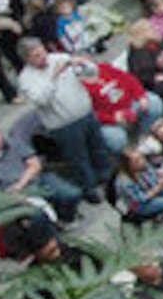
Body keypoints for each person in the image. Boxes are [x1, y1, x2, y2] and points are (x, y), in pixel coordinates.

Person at [17, 37, 113, 199]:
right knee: (78, 159)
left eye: (42, 52)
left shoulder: (59, 58)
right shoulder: (26, 79)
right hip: (63, 125)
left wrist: (83, 64)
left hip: (86, 114)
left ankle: (107, 178)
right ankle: (89, 189)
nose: (43, 58)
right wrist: (53, 77)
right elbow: (42, 100)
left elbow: (92, 74)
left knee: (99, 148)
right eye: (36, 56)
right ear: (27, 59)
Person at [0, 122, 84, 223]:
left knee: (72, 194)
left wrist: (21, 183)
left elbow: (35, 164)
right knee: (37, 215)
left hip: (35, 180)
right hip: (15, 195)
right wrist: (16, 197)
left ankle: (65, 218)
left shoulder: (13, 143)